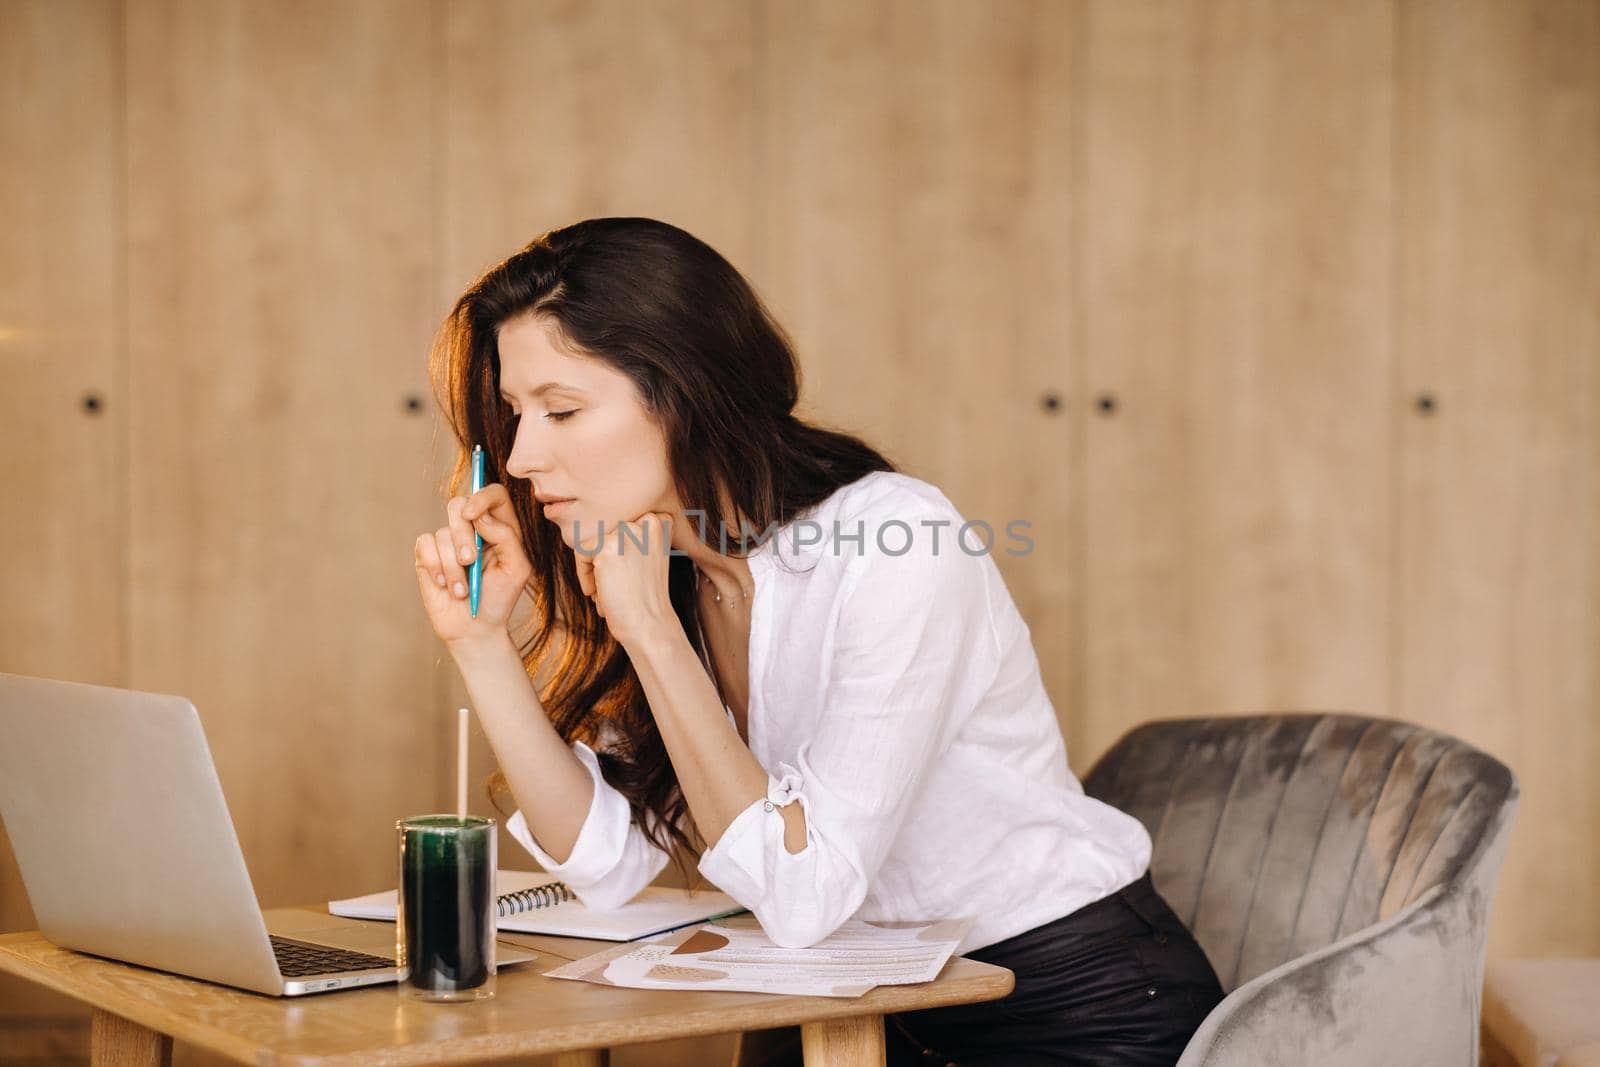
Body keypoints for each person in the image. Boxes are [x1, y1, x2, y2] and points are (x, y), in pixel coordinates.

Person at [412, 217, 1224, 1065]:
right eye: (514, 414)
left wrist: (652, 634)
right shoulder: (662, 563)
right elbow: (610, 864)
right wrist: (481, 644)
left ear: (683, 392)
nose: (522, 455)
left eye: (562, 410)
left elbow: (806, 896)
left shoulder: (898, 540)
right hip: (840, 996)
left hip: (1065, 1002)